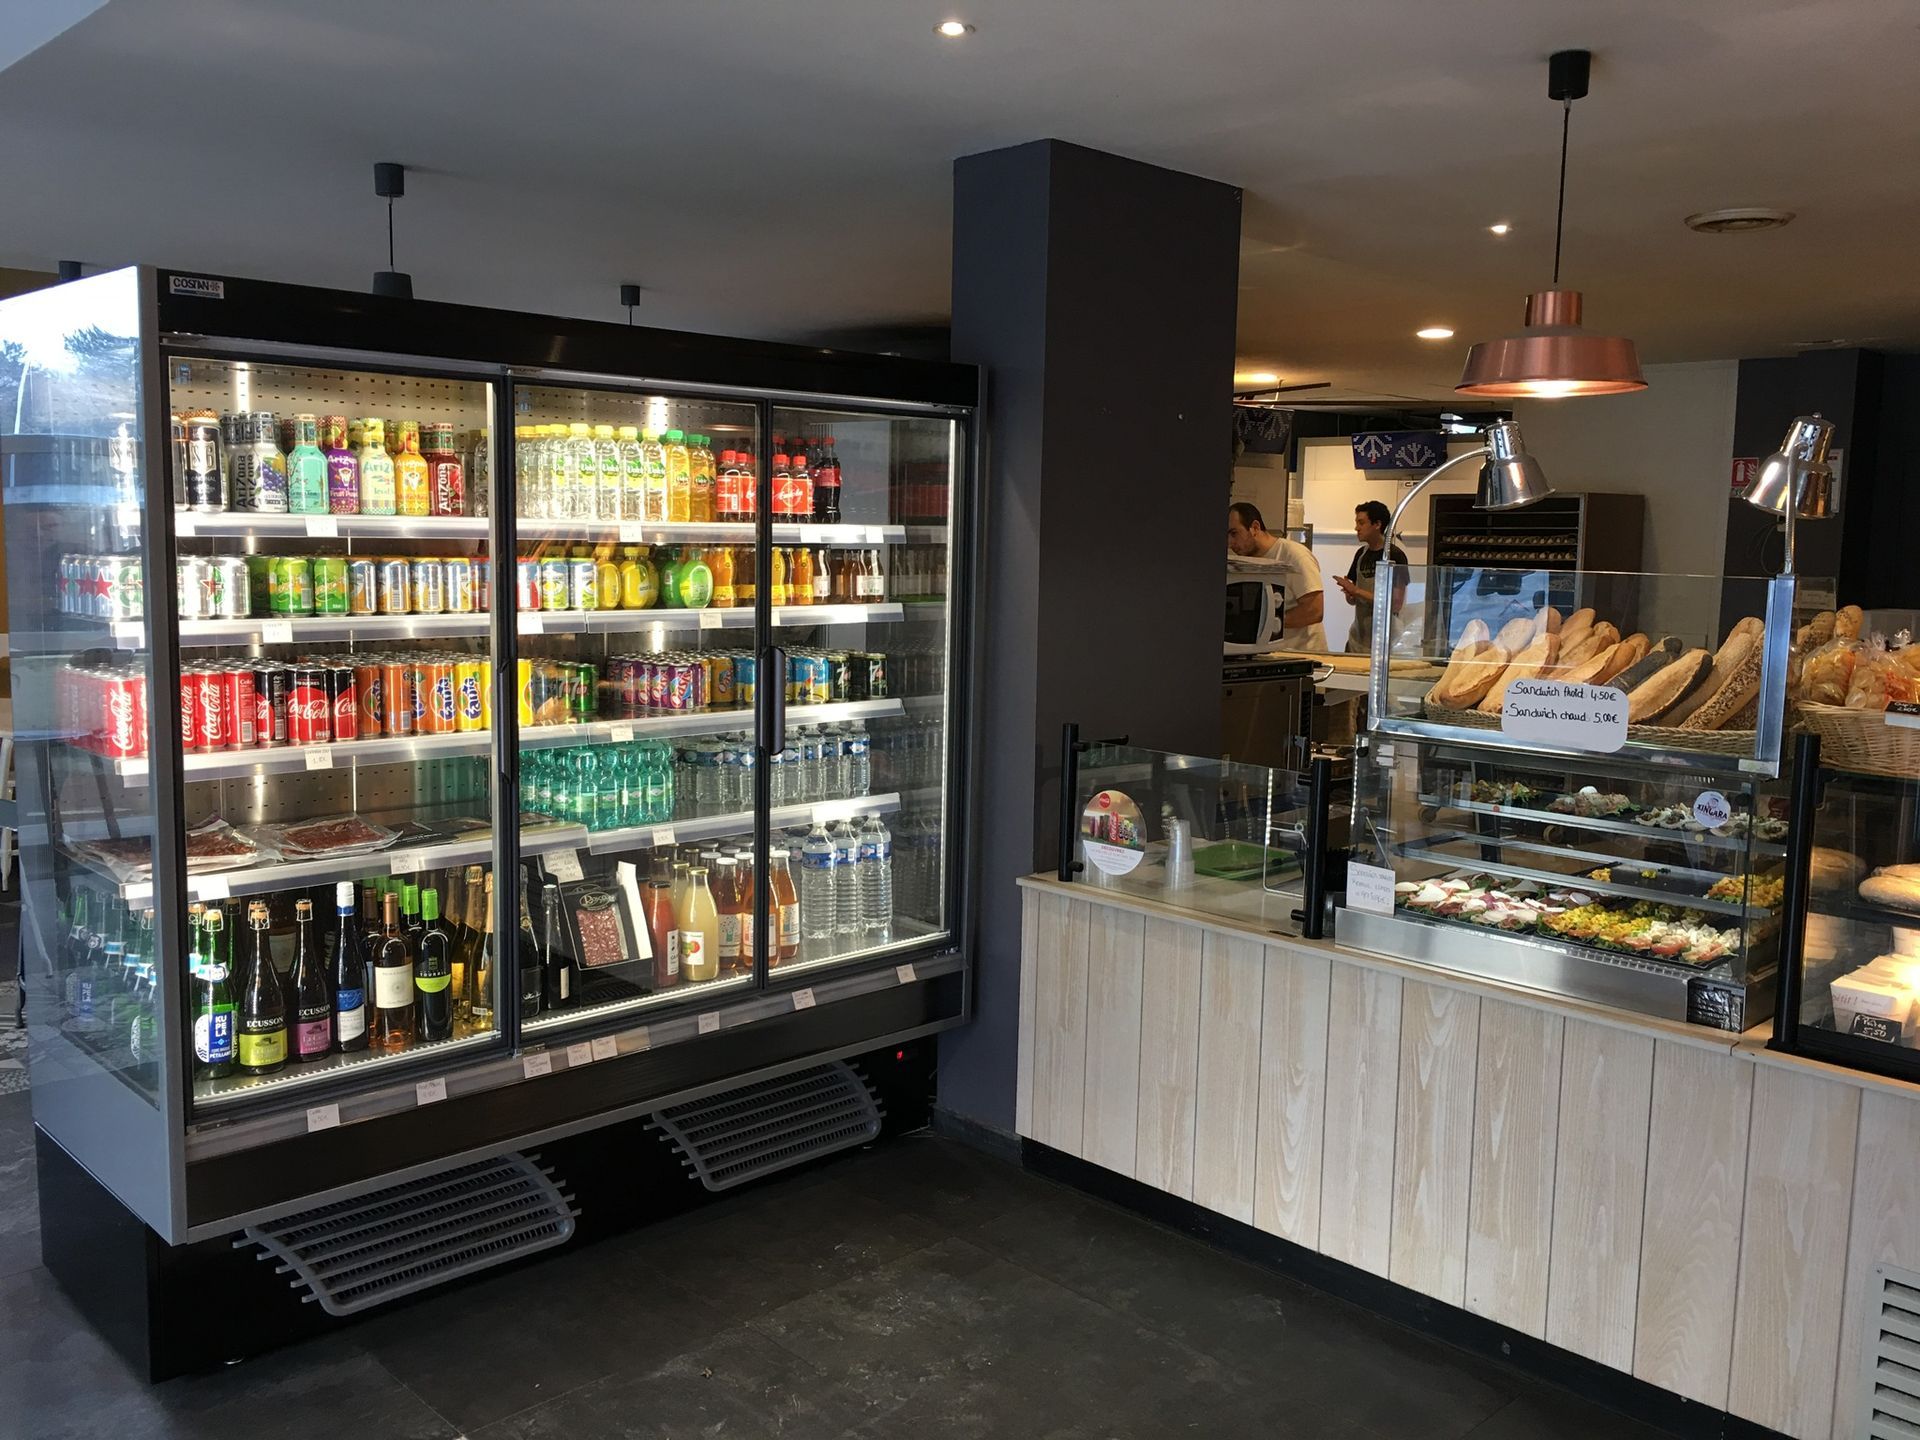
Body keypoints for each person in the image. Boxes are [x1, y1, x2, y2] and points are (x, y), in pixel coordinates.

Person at [1227, 501, 1326, 650]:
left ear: (1255, 527)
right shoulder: (1242, 561)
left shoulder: (1294, 555)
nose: (1230, 543)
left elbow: (1314, 610)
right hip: (1269, 653)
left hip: (1303, 655)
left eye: (1234, 534)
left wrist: (1266, 622)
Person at [1334, 499, 1409, 653]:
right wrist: (1350, 595)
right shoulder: (1361, 554)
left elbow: (1396, 603)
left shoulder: (1395, 556)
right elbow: (1352, 599)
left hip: (1387, 639)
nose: (1356, 528)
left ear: (1377, 524)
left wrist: (1356, 591)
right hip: (1360, 637)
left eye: (1361, 523)